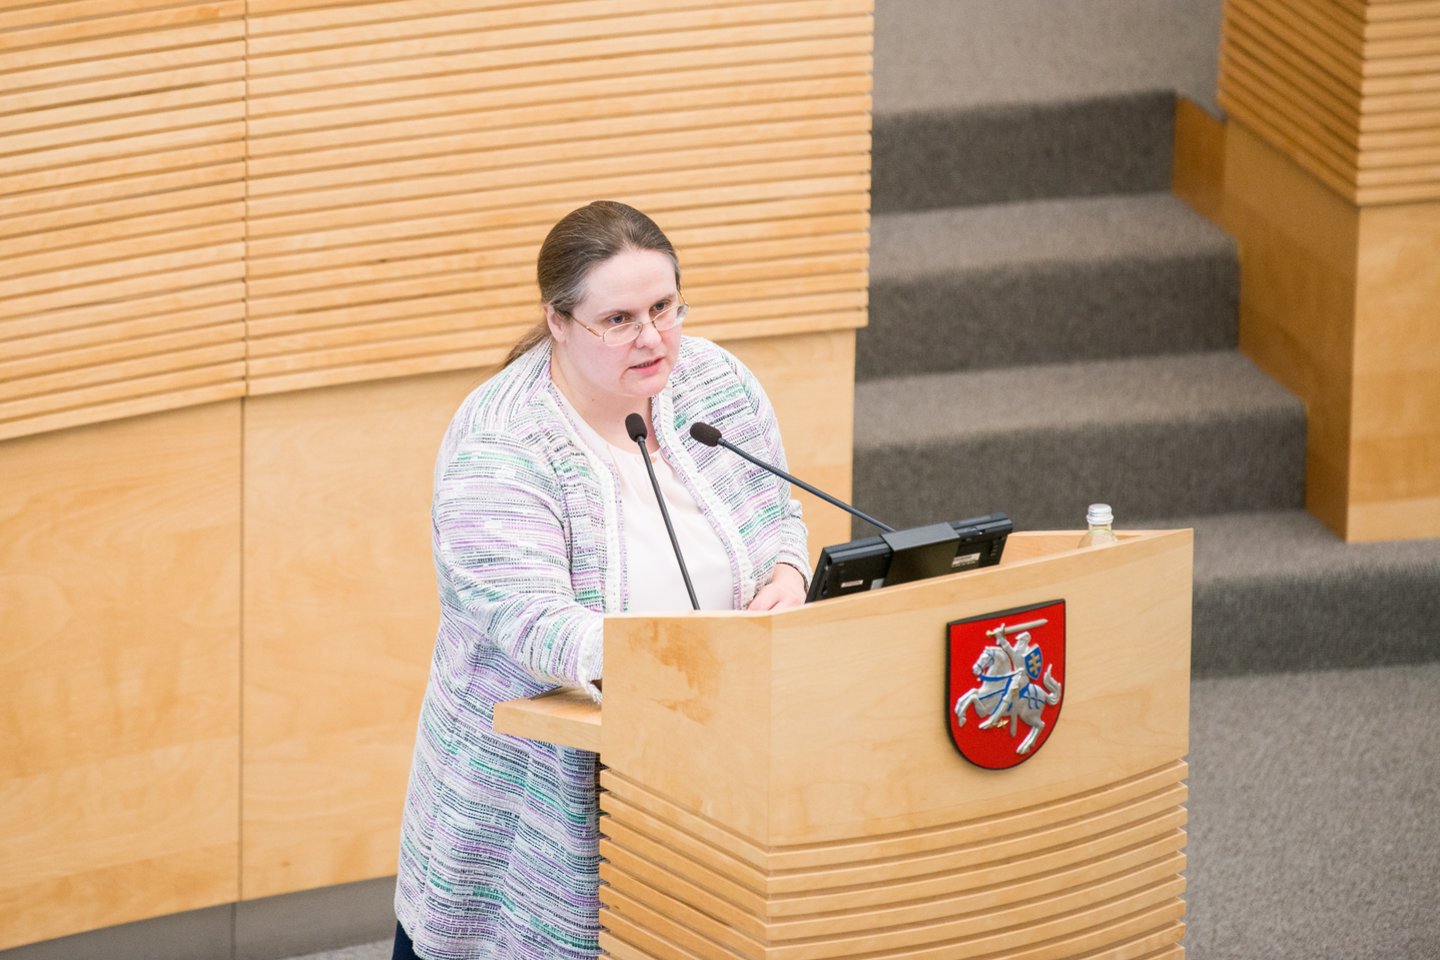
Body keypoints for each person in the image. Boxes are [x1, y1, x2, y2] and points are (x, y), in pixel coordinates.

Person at [392, 201, 810, 959]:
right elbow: (533, 624)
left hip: (715, 775)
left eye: (664, 307)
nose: (652, 337)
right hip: (540, 807)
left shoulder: (714, 382)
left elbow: (777, 511)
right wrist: (687, 667)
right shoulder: (501, 442)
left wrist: (787, 571)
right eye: (618, 320)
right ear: (558, 321)